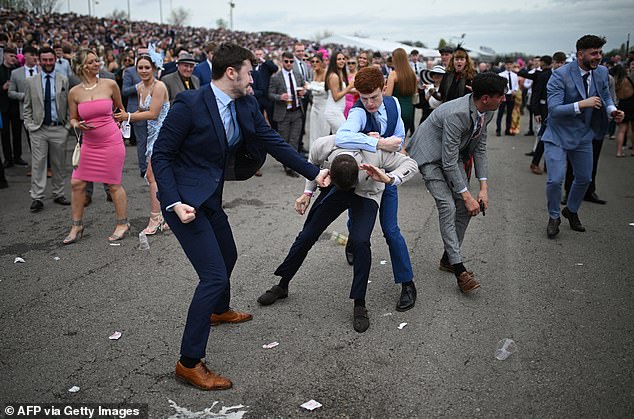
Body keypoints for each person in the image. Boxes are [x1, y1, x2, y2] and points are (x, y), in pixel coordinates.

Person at [151, 43, 329, 391]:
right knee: (214, 276)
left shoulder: (246, 103)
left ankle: (218, 311)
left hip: (211, 198)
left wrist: (314, 172)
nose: (254, 78)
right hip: (184, 204)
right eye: (249, 71)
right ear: (231, 72)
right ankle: (189, 362)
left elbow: (272, 141)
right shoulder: (191, 103)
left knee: (228, 254)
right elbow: (161, 156)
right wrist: (171, 203)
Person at [257, 134, 418, 332]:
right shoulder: (324, 144)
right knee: (307, 234)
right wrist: (308, 193)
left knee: (360, 242)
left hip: (366, 194)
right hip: (334, 190)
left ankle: (359, 303)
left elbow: (411, 164)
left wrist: (390, 177)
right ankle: (282, 285)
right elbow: (312, 165)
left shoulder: (376, 154)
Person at [406, 72, 508, 293]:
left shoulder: (487, 112)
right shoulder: (457, 114)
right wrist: (467, 194)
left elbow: (480, 149)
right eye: (501, 95)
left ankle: (448, 259)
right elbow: (449, 161)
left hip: (452, 155)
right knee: (448, 205)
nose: (504, 99)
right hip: (429, 157)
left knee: (465, 208)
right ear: (485, 98)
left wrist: (483, 189)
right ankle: (460, 269)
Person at [335, 66, 417, 311]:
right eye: (364, 97)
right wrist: (379, 142)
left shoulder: (393, 105)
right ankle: (352, 241)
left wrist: (390, 146)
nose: (369, 103)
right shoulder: (358, 111)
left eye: (374, 97)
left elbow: (400, 138)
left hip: (386, 176)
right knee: (356, 224)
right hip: (362, 179)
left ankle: (407, 283)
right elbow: (341, 137)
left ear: (383, 89)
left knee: (391, 231)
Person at [543, 35, 623, 239]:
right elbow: (554, 110)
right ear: (580, 54)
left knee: (585, 178)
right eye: (594, 53)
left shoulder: (602, 72)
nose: (599, 57)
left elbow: (605, 97)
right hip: (558, 134)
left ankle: (571, 209)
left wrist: (612, 110)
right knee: (555, 180)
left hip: (584, 134)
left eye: (600, 53)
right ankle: (554, 217)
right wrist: (582, 104)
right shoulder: (559, 75)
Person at [64, 49, 129, 244]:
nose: (97, 64)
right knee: (77, 183)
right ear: (82, 67)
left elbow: (121, 109)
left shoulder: (110, 84)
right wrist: (78, 125)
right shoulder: (74, 92)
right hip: (89, 144)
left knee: (113, 184)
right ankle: (76, 225)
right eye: (91, 62)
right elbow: (73, 119)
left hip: (111, 141)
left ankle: (122, 223)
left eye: (96, 60)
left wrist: (119, 121)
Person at [114, 52, 170, 235]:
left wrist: (128, 116)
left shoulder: (159, 86)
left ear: (154, 68)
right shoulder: (139, 87)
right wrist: (124, 120)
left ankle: (156, 219)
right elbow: (141, 110)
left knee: (151, 176)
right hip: (151, 135)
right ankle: (168, 216)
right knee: (160, 177)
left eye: (147, 67)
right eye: (141, 67)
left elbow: (153, 113)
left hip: (164, 135)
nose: (144, 71)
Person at [23, 46, 71, 212]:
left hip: (59, 128)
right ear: (39, 60)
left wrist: (67, 126)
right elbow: (27, 106)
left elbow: (69, 104)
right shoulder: (31, 81)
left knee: (59, 164)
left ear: (54, 60)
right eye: (45, 60)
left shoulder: (63, 79)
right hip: (39, 129)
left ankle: (58, 193)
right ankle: (37, 197)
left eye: (51, 60)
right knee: (38, 164)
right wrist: (30, 126)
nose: (48, 63)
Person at [268, 51, 306, 177]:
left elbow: (303, 90)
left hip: (296, 112)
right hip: (283, 113)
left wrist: (302, 93)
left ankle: (292, 166)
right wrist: (280, 97)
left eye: (291, 61)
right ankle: (286, 164)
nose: (289, 64)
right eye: (286, 61)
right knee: (284, 141)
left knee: (294, 141)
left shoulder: (297, 75)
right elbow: (270, 94)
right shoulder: (276, 77)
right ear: (282, 61)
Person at [1, 47, 26, 168]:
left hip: (16, 105)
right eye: (11, 56)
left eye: (15, 56)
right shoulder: (0, 70)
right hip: (3, 106)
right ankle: (7, 158)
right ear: (4, 55)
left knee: (17, 133)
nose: (13, 59)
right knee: (5, 134)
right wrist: (2, 88)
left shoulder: (17, 70)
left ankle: (17, 156)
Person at [385, 48, 417, 136]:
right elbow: (415, 93)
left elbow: (388, 96)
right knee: (402, 139)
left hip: (396, 110)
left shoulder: (393, 74)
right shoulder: (412, 74)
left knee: (393, 140)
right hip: (409, 110)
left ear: (395, 58)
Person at [324, 51, 354, 133]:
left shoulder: (339, 74)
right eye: (339, 59)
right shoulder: (334, 76)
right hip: (333, 111)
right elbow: (336, 97)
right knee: (344, 133)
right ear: (334, 61)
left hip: (338, 111)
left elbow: (344, 91)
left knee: (336, 138)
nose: (342, 61)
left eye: (343, 59)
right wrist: (349, 87)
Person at [306, 53, 329, 141]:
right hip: (314, 106)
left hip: (324, 107)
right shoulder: (314, 72)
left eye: (317, 61)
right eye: (312, 62)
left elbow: (326, 89)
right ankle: (313, 153)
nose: (314, 63)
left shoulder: (326, 73)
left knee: (323, 133)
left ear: (322, 63)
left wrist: (310, 87)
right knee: (313, 133)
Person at [613, 64, 634, 156]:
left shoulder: (616, 82)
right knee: (633, 130)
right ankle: (633, 150)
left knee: (621, 130)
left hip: (622, 104)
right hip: (632, 103)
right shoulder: (628, 80)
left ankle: (619, 151)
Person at [495, 59, 519, 136]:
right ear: (505, 65)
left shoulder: (514, 75)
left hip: (511, 96)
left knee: (509, 113)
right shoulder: (501, 75)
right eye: (507, 64)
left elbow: (516, 86)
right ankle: (498, 129)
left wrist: (514, 90)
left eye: (510, 64)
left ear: (512, 65)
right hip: (503, 95)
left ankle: (508, 129)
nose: (509, 66)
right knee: (500, 113)